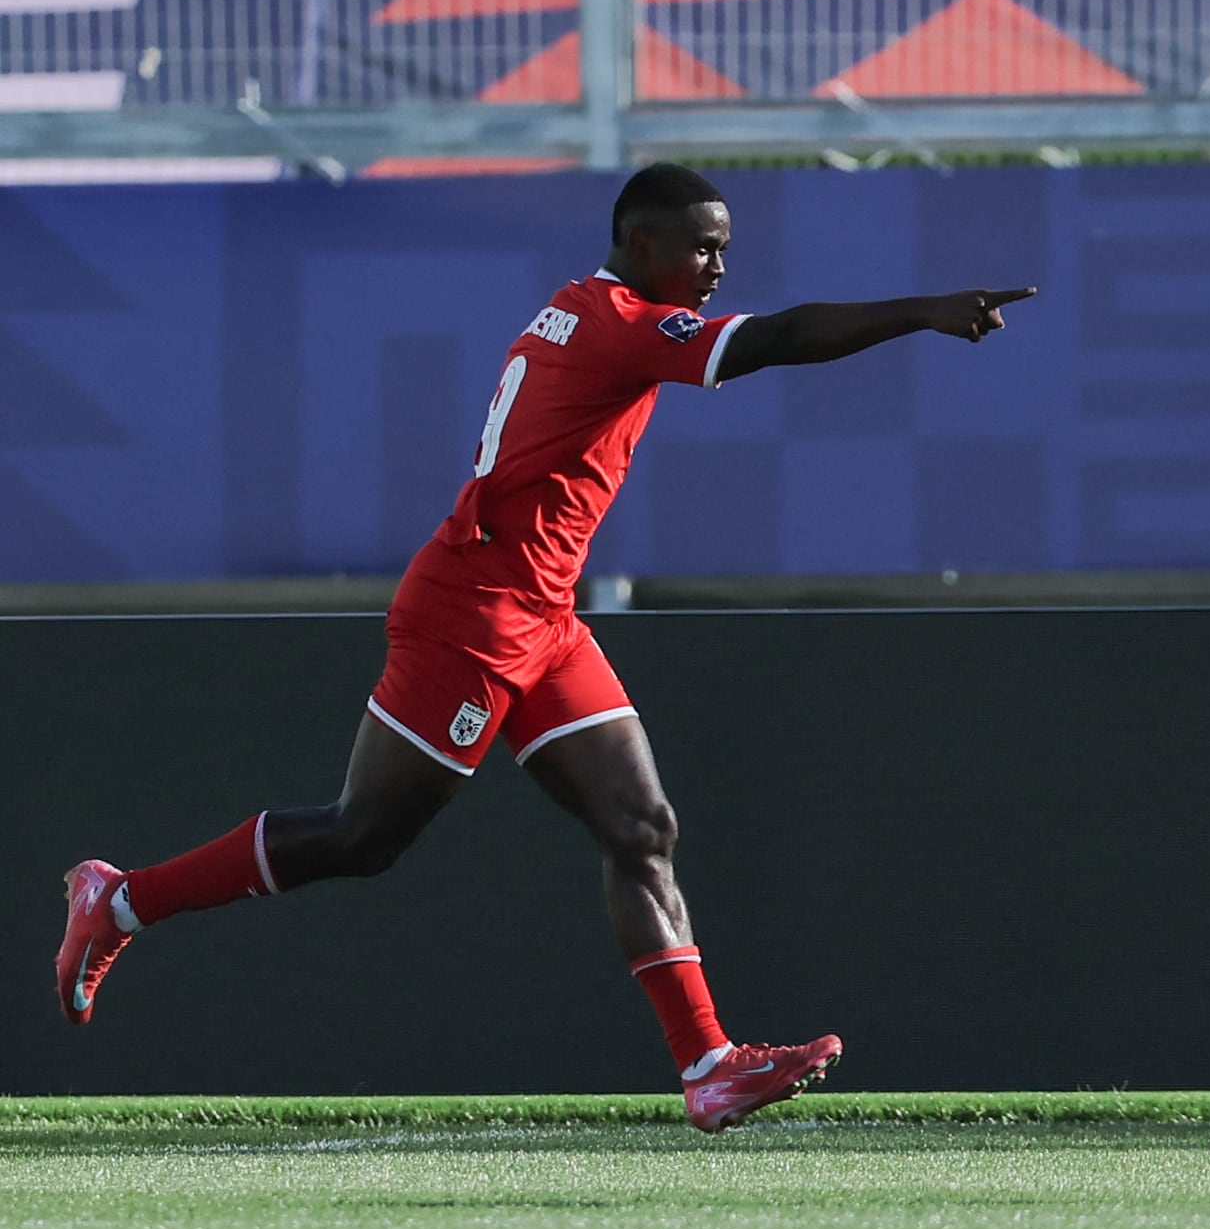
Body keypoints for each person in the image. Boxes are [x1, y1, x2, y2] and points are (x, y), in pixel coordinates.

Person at [55, 164, 1035, 1133]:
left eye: (724, 249)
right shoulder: (617, 323)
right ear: (638, 240)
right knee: (363, 837)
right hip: (473, 614)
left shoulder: (585, 312)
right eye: (700, 246)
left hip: (543, 617)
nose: (715, 267)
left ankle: (706, 1064)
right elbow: (772, 340)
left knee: (640, 824)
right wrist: (923, 309)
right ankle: (122, 899)